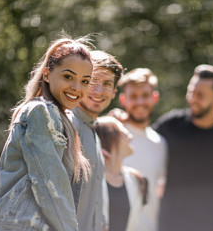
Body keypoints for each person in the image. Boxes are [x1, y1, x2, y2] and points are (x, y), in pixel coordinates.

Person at [0, 36, 93, 230]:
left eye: (85, 81)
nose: (77, 88)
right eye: (68, 76)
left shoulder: (55, 116)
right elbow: (50, 185)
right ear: (46, 74)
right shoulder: (41, 113)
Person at [152, 64, 213, 231]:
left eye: (200, 95)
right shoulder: (170, 124)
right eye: (191, 92)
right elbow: (141, 142)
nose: (192, 98)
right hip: (165, 226)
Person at [67, 50, 124, 231]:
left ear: (114, 92)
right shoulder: (65, 125)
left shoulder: (93, 131)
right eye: (92, 81)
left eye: (107, 84)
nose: (99, 91)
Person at [117, 68, 168, 231]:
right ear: (123, 100)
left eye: (145, 95)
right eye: (133, 96)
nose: (140, 102)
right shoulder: (112, 134)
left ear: (155, 98)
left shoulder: (160, 143)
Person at [94, 116, 148, 231]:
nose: (130, 136)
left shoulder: (138, 180)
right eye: (123, 129)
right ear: (109, 136)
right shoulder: (89, 179)